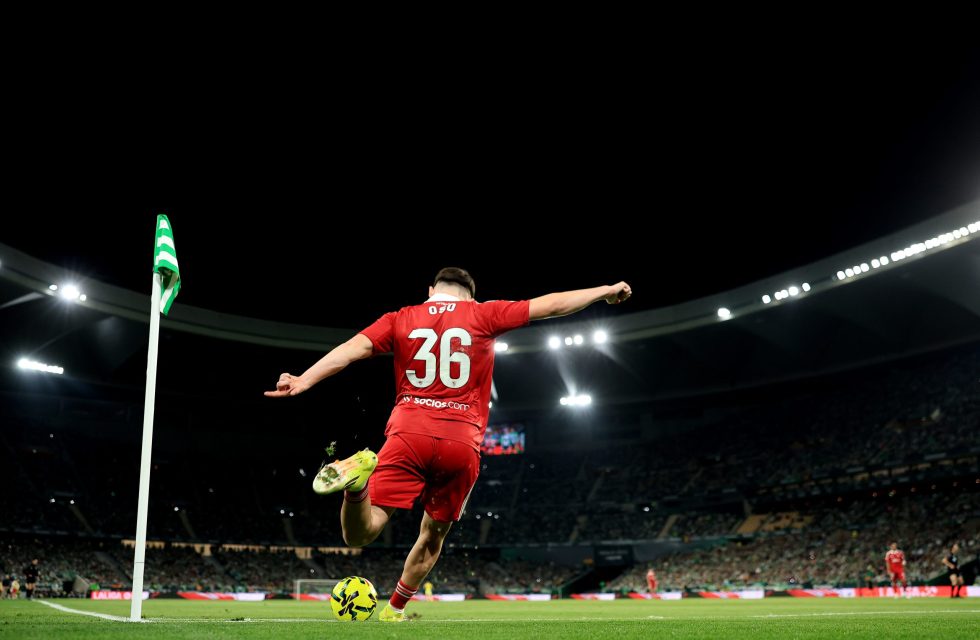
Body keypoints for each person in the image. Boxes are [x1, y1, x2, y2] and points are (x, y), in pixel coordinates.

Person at [266, 267, 632, 622]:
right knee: (432, 536)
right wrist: (604, 290)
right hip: (462, 442)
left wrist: (304, 379)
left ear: (430, 291)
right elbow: (550, 304)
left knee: (359, 534)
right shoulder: (483, 313)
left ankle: (357, 484)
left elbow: (351, 350)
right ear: (470, 295)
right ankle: (394, 611)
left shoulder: (400, 317)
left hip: (409, 433)